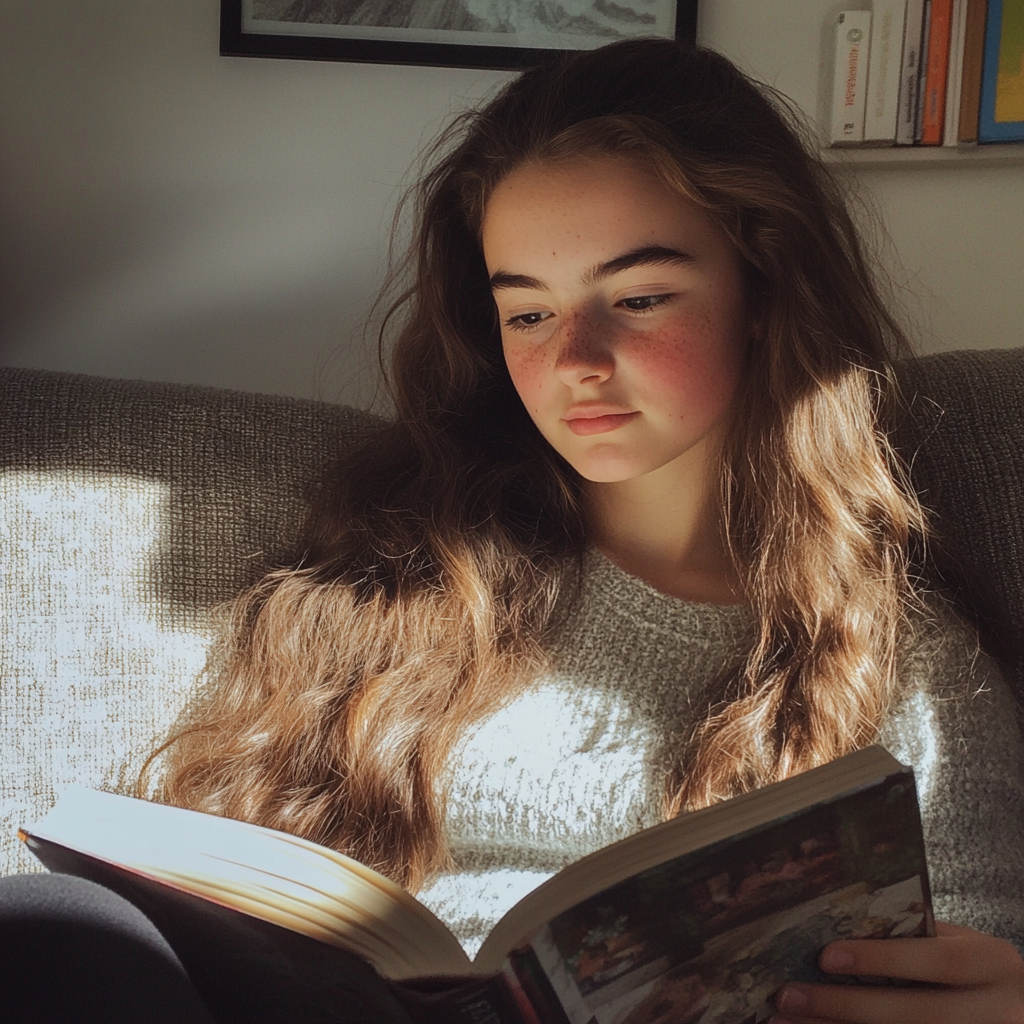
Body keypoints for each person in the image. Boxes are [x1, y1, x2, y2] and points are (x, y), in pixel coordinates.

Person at [2, 37, 1023, 1024]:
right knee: (56, 926)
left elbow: (972, 957)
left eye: (637, 296)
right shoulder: (397, 569)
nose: (576, 357)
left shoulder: (912, 677)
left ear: (763, 293)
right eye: (527, 313)